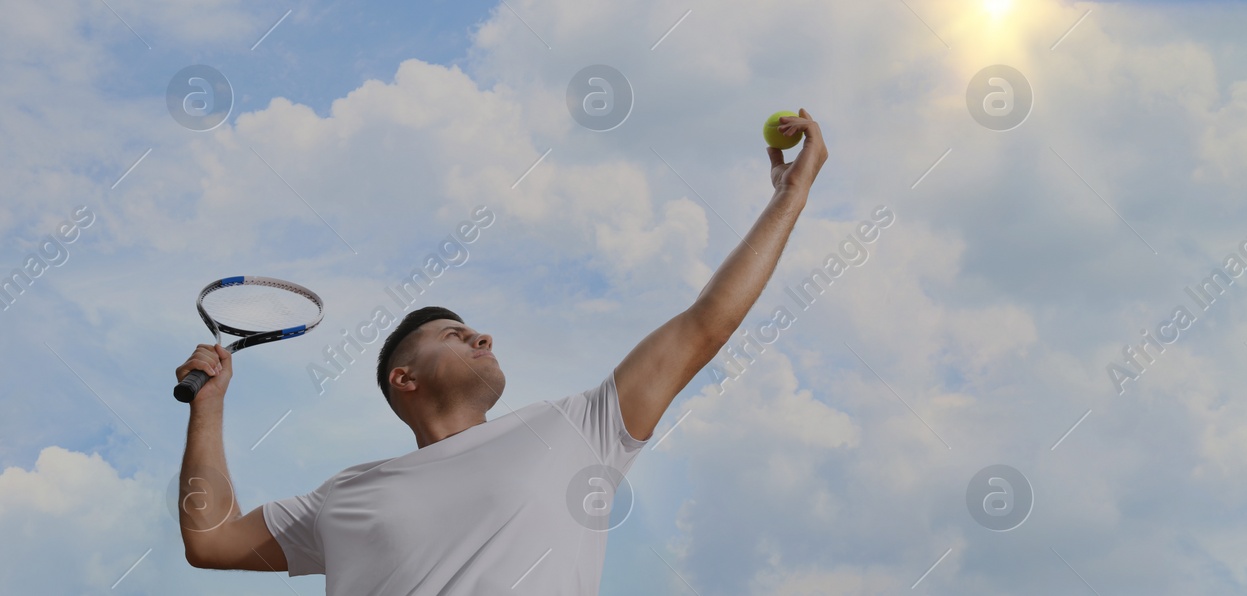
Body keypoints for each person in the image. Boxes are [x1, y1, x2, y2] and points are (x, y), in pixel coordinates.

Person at [174, 110, 828, 594]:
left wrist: (790, 195)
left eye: (476, 331)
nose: (482, 337)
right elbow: (211, 539)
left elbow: (705, 325)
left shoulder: (579, 430)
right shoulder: (343, 496)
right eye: (454, 335)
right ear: (404, 379)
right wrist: (209, 406)